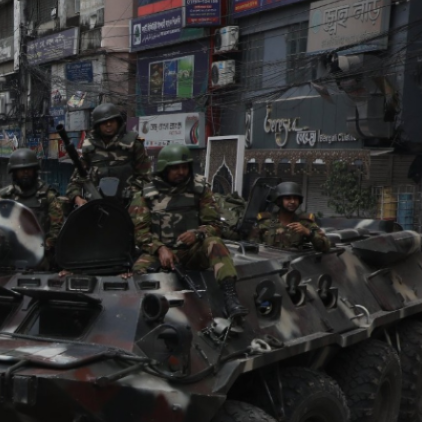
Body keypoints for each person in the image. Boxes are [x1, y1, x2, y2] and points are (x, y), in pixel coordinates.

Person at [130, 143, 246, 319]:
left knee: (215, 244)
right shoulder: (146, 195)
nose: (181, 172)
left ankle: (230, 298)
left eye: (184, 167)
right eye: (175, 168)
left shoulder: (200, 190)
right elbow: (140, 233)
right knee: (139, 269)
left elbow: (215, 225)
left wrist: (198, 234)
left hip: (191, 251)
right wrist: (160, 248)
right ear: (164, 168)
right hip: (160, 252)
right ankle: (148, 312)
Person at [67, 102, 151, 207]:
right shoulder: (90, 148)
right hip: (97, 206)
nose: (108, 124)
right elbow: (75, 181)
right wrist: (77, 198)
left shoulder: (133, 143)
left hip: (129, 205)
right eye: (104, 122)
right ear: (98, 125)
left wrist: (132, 192)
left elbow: (146, 177)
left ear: (118, 121)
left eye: (112, 121)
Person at [0, 148, 66, 259]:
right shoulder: (5, 196)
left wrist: (47, 245)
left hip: (41, 254)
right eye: (21, 170)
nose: (25, 173)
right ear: (14, 172)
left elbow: (57, 225)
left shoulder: (47, 195)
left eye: (29, 170)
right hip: (10, 255)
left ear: (35, 171)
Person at [250, 182, 331, 251]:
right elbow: (251, 248)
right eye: (288, 198)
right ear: (279, 201)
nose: (292, 201)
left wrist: (308, 233)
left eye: (295, 198)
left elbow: (326, 246)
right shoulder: (265, 222)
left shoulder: (305, 223)